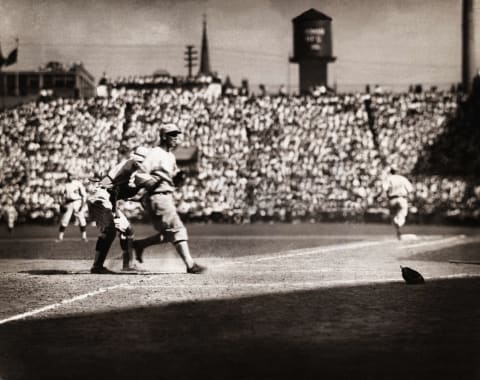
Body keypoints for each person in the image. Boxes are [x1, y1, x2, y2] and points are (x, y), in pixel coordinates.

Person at [132, 123, 207, 274]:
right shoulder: (155, 153)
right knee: (178, 229)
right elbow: (139, 175)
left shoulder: (170, 156)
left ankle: (140, 245)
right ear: (163, 136)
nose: (176, 137)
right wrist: (151, 182)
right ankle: (190, 265)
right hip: (158, 197)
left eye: (177, 134)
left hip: (165, 196)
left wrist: (179, 178)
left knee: (169, 234)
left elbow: (173, 178)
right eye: (172, 134)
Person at [87, 147, 149, 274]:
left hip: (107, 198)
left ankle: (128, 265)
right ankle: (97, 267)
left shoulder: (131, 170)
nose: (141, 164)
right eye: (140, 161)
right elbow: (111, 186)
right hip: (100, 197)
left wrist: (136, 199)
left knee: (128, 230)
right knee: (109, 231)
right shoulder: (128, 167)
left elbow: (118, 192)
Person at [382, 167, 414, 240]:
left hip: (392, 199)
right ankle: (399, 224)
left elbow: (384, 188)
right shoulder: (403, 178)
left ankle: (397, 227)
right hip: (402, 198)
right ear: (398, 171)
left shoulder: (388, 178)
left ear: (391, 172)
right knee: (402, 214)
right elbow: (410, 189)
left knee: (393, 215)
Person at [57, 171, 88, 242]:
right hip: (68, 203)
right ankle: (60, 237)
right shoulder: (65, 184)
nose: (71, 177)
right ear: (67, 176)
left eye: (72, 175)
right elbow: (60, 194)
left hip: (77, 202)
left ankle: (84, 236)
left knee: (81, 219)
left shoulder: (78, 183)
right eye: (69, 175)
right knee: (65, 220)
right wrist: (61, 203)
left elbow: (84, 195)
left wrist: (82, 204)